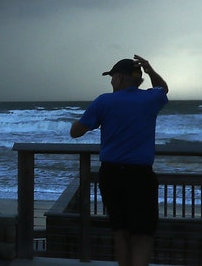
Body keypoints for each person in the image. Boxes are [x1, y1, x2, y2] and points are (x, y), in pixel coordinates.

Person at [70, 54, 169, 266]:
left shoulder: (104, 101)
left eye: (112, 77)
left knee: (120, 230)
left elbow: (75, 132)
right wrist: (150, 70)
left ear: (121, 78)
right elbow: (163, 89)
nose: (111, 82)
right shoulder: (150, 99)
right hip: (140, 175)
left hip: (111, 174)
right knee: (142, 233)